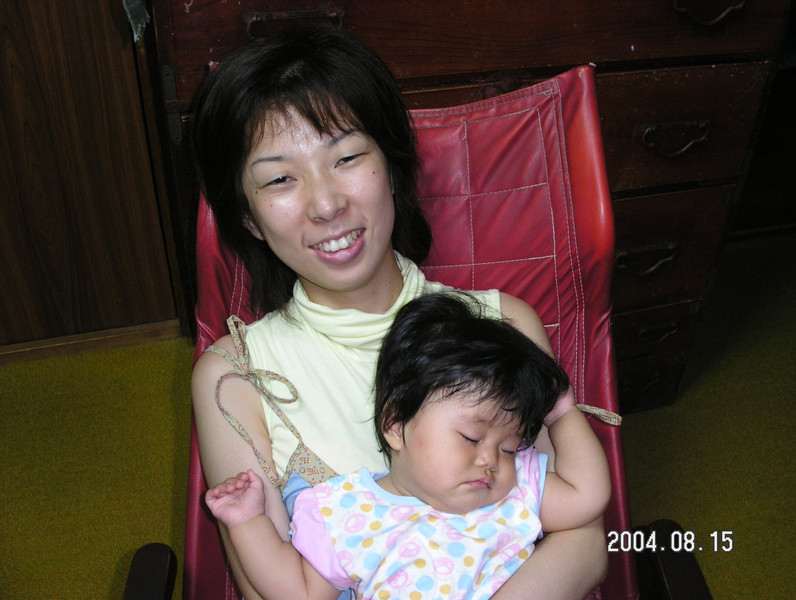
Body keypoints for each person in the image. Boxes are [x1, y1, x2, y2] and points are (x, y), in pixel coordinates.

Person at [191, 24, 609, 600]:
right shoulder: (235, 376)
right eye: (281, 178)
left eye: (346, 157)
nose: (326, 204)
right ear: (248, 218)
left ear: (391, 165)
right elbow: (274, 592)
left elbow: (582, 542)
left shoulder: (503, 327)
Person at [206, 292, 611, 600]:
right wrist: (248, 523)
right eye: (470, 439)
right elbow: (297, 592)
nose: (490, 459)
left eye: (507, 448)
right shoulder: (347, 512)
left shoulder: (513, 488)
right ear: (396, 425)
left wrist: (563, 415)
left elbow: (587, 497)